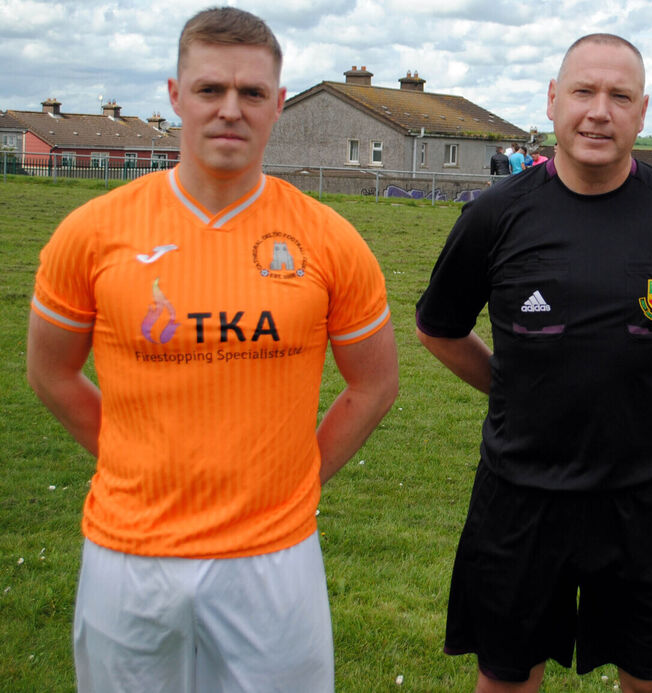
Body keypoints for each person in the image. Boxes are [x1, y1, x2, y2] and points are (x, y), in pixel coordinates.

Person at [25, 8, 399, 692]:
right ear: (175, 95)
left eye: (252, 93)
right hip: (128, 554)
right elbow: (49, 372)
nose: (231, 109)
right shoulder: (93, 231)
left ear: (279, 104)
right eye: (210, 90)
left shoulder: (328, 238)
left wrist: (300, 478)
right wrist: (126, 455)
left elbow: (375, 384)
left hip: (275, 557)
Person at [415, 33, 652, 693]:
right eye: (583, 91)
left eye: (619, 96)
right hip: (521, 495)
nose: (599, 111)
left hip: (644, 496)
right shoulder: (494, 215)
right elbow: (439, 329)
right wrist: (512, 389)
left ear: (643, 110)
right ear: (552, 101)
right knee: (507, 678)